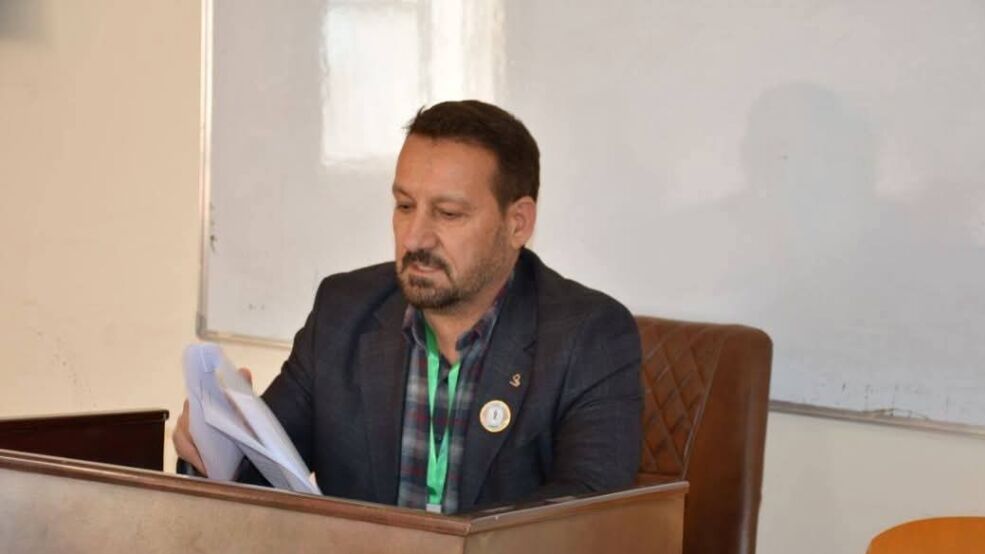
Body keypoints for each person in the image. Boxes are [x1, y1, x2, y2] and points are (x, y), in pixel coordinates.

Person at [173, 100, 642, 514]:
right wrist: (217, 447)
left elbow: (585, 517)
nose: (415, 238)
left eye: (448, 213)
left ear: (517, 223)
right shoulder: (344, 312)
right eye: (403, 206)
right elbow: (258, 481)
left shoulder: (587, 336)